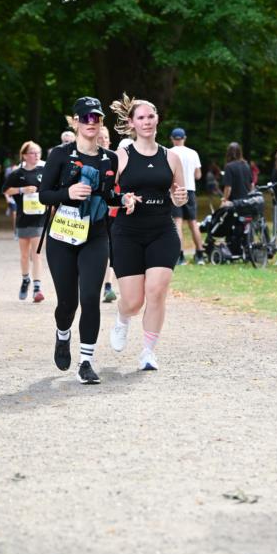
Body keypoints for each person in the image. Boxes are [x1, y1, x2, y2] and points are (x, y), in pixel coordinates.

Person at [39, 98, 119, 384]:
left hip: (95, 235)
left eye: (96, 118)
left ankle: (86, 362)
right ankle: (63, 335)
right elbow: (44, 195)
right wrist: (68, 193)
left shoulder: (110, 158)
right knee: (68, 303)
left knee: (90, 298)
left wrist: (124, 200)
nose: (91, 122)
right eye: (85, 118)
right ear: (75, 122)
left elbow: (109, 196)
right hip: (62, 235)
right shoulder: (60, 155)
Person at [108, 93, 187, 371]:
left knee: (156, 291)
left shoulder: (172, 157)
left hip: (162, 231)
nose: (146, 121)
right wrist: (123, 199)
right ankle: (122, 317)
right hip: (127, 232)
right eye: (141, 117)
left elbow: (179, 196)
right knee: (133, 302)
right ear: (132, 123)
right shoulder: (121, 156)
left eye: (150, 116)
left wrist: (179, 198)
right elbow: (107, 195)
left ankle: (148, 352)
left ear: (157, 119)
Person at [3, 141, 47, 302]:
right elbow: (6, 190)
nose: (36, 155)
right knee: (24, 255)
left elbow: (51, 190)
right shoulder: (17, 174)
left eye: (38, 152)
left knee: (36, 254)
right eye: (33, 153)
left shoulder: (44, 171)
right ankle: (25, 279)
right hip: (23, 218)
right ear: (24, 155)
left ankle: (37, 288)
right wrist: (22, 189)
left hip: (40, 218)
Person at [169, 128, 205, 265]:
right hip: (189, 190)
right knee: (193, 223)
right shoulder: (193, 153)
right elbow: (198, 175)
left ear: (172, 139)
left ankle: (180, 256)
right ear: (184, 138)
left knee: (177, 223)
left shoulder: (169, 153)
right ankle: (200, 255)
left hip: (176, 189)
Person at [97, 123, 118, 303]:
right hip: (93, 214)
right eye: (100, 138)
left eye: (105, 138)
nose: (103, 141)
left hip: (112, 213)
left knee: (111, 249)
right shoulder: (88, 159)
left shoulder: (115, 159)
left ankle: (108, 286)